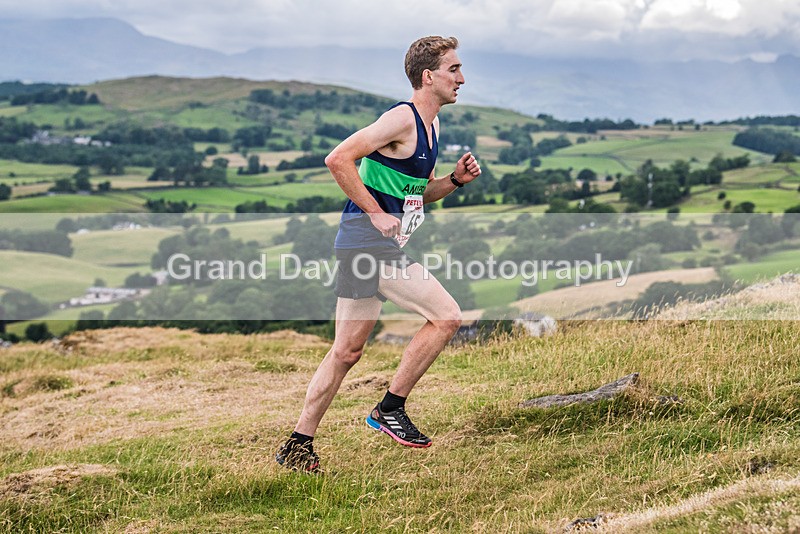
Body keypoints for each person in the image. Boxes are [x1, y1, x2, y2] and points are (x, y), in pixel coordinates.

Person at [276, 35, 481, 473]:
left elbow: (415, 195)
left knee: (346, 352)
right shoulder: (401, 119)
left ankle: (298, 445)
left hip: (367, 242)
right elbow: (339, 159)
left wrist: (455, 181)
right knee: (447, 317)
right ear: (429, 77)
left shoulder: (432, 127)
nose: (462, 78)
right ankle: (391, 408)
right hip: (367, 243)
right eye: (453, 70)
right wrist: (374, 214)